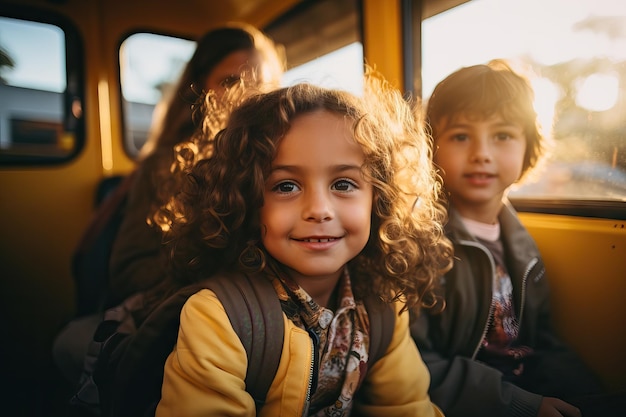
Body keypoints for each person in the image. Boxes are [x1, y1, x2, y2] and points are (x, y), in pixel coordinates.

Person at [149, 70, 453, 416]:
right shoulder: (220, 316)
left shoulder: (382, 310)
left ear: (379, 200)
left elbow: (407, 407)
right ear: (246, 202)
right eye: (286, 186)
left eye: (343, 184)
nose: (319, 210)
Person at [52, 22, 286, 387]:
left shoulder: (285, 159)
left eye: (263, 80)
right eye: (230, 81)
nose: (250, 94)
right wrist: (208, 274)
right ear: (201, 89)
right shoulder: (167, 164)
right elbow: (128, 269)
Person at [410, 60, 610, 417]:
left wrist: (587, 394)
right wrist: (519, 405)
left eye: (501, 135)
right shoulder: (420, 245)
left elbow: (540, 344)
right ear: (431, 147)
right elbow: (416, 362)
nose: (481, 153)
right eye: (460, 136)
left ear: (527, 147)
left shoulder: (522, 245)